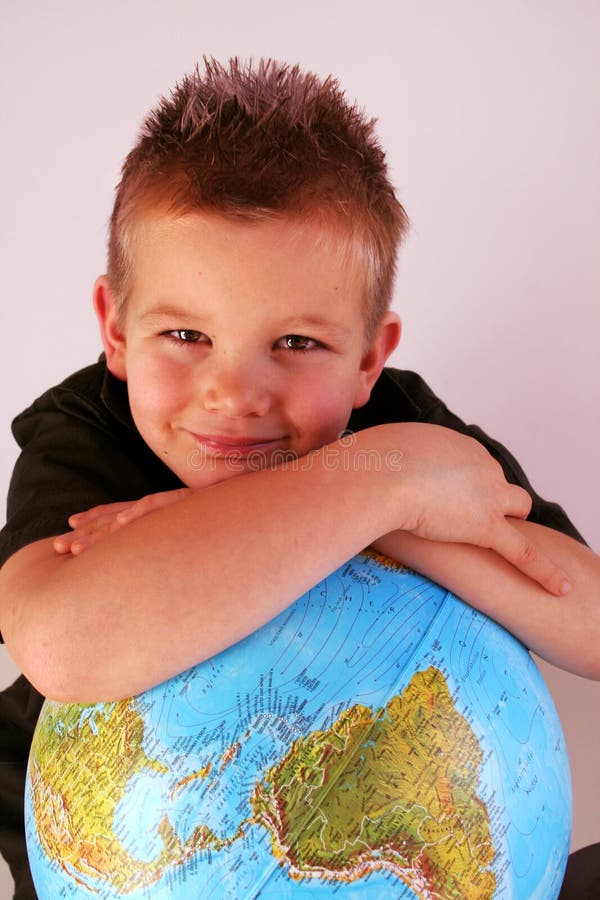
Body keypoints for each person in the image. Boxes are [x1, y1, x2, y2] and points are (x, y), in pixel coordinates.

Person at [0, 57, 598, 900]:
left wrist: (385, 503)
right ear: (117, 329)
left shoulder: (401, 432)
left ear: (368, 359)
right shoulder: (84, 429)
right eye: (185, 334)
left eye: (296, 344)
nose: (235, 395)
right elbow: (63, 643)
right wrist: (383, 492)